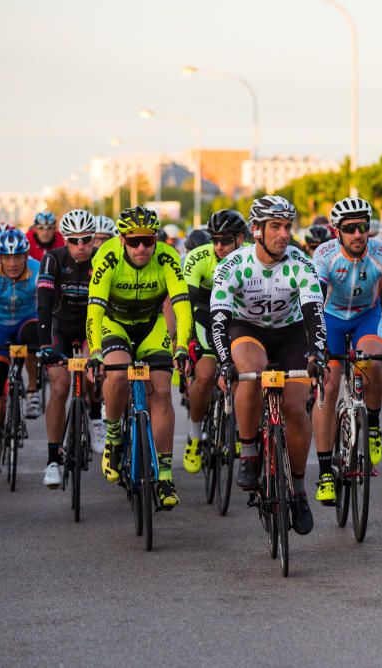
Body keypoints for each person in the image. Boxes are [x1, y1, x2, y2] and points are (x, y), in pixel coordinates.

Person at [211, 195, 327, 534]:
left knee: (295, 408)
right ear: (256, 230)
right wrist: (223, 363)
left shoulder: (301, 264)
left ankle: (299, 489)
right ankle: (248, 451)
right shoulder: (232, 265)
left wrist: (317, 355)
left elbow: (314, 317)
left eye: (288, 226)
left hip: (291, 333)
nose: (284, 234)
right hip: (248, 329)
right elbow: (218, 319)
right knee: (250, 374)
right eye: (275, 226)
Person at [86, 206, 192, 509]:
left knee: (161, 391)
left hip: (150, 323)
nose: (142, 247)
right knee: (117, 374)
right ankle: (115, 436)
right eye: (134, 242)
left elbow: (182, 306)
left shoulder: (168, 257)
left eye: (148, 240)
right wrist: (95, 353)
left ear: (156, 238)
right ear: (122, 241)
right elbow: (94, 310)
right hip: (114, 322)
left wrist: (181, 346)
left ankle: (165, 476)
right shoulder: (106, 258)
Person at [310, 196, 382, 506]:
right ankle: (326, 472)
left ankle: (371, 425)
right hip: (332, 318)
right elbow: (314, 302)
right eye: (350, 228)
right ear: (336, 231)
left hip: (368, 316)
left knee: (371, 363)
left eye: (363, 228)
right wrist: (316, 346)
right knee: (329, 383)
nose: (357, 234)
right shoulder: (324, 254)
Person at [180, 209, 247, 474]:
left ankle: (243, 431)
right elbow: (185, 303)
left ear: (240, 239)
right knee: (206, 374)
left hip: (238, 316)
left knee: (247, 373)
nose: (219, 246)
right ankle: (195, 436)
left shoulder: (251, 257)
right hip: (204, 315)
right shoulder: (198, 257)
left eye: (226, 240)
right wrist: (189, 341)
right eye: (215, 239)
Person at [37, 209, 100, 489]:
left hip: (90, 328)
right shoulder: (53, 259)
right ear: (65, 240)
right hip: (59, 328)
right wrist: (43, 345)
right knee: (60, 387)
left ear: (93, 238)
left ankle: (95, 412)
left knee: (94, 374)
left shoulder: (101, 258)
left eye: (86, 239)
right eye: (74, 241)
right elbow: (43, 304)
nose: (81, 246)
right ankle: (53, 460)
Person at [0, 229, 42, 424]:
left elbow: (48, 304)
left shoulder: (37, 270)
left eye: (17, 257)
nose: (12, 264)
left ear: (26, 256)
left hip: (27, 321)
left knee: (34, 335)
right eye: (7, 258)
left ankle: (33, 390)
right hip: (1, 324)